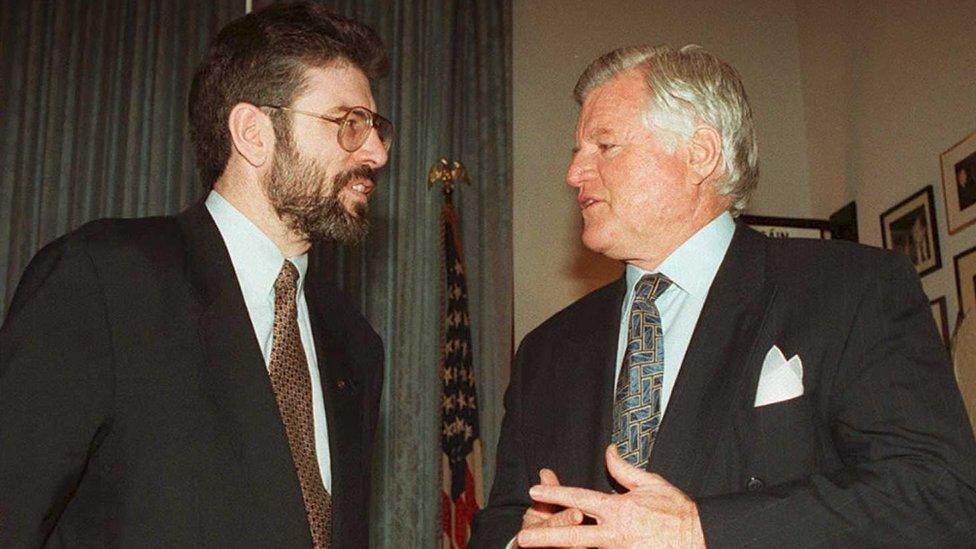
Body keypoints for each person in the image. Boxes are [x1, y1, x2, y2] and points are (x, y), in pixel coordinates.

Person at [471, 44, 976, 548]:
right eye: (576, 152)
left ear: (701, 154)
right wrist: (523, 541)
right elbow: (500, 520)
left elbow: (938, 495)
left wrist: (700, 530)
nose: (574, 173)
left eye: (605, 146)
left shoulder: (851, 288)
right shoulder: (544, 350)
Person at [0, 3, 391, 547]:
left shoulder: (355, 342)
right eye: (349, 123)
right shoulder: (103, 279)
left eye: (376, 128)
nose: (374, 152)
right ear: (253, 132)